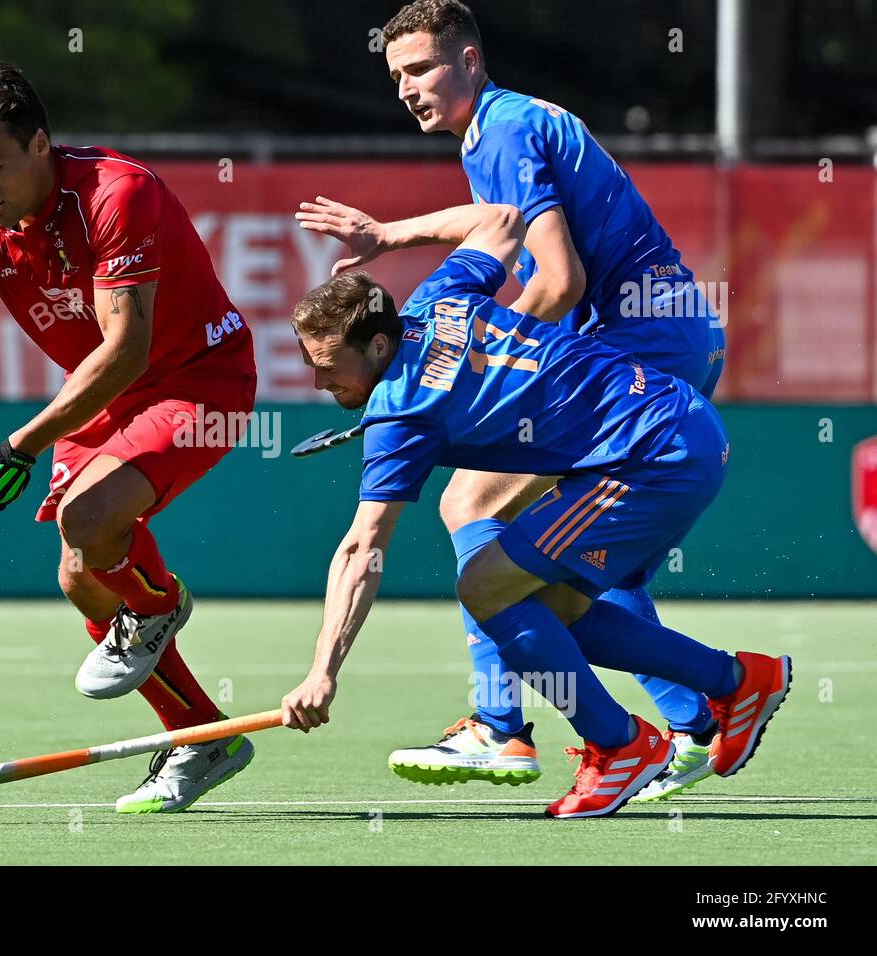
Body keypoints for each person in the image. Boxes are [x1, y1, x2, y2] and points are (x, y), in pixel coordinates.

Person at [293, 0, 727, 800]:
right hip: (673, 338)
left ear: (468, 60)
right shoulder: (503, 123)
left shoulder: (499, 132)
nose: (406, 90)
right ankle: (698, 717)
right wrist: (388, 237)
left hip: (644, 346)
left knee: (469, 508)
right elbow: (498, 224)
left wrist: (461, 368)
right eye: (395, 77)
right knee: (579, 558)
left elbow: (559, 282)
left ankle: (502, 726)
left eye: (420, 69)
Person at [278, 202, 789, 818]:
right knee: (548, 615)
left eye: (326, 365)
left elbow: (364, 548)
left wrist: (321, 671)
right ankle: (737, 682)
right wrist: (391, 235)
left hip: (652, 455)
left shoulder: (400, 413)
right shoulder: (439, 296)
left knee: (485, 586)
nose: (315, 381)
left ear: (379, 343)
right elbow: (499, 220)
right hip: (673, 427)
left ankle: (619, 745)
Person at [0, 61, 257, 812]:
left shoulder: (116, 194)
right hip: (105, 400)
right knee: (81, 575)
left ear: (41, 144)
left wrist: (24, 446)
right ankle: (205, 737)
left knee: (91, 521)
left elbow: (126, 347)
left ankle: (159, 602)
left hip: (200, 378)